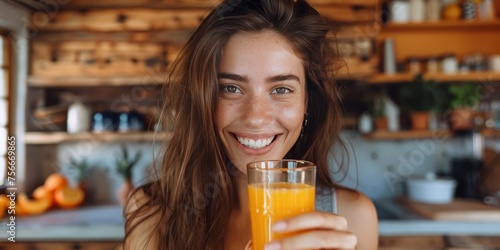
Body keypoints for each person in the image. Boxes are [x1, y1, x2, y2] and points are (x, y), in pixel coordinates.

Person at [123, 0, 378, 249]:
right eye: (231, 88)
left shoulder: (353, 219)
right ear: (203, 101)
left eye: (281, 89)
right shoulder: (152, 212)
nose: (256, 117)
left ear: (307, 102)